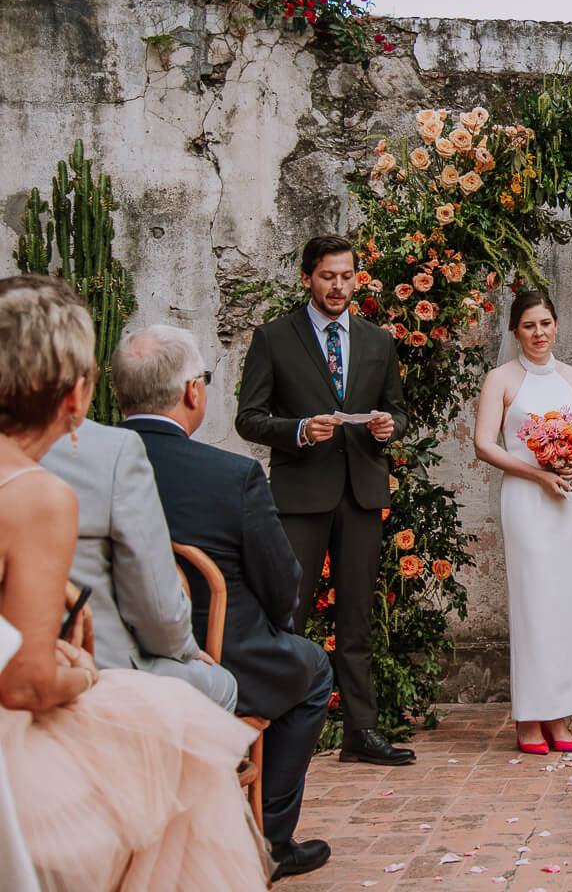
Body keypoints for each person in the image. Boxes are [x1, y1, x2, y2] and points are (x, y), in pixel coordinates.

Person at [0, 275, 267, 890]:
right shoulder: (38, 495)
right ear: (76, 396)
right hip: (19, 730)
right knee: (180, 747)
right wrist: (84, 674)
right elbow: (26, 684)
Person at [118, 324, 334, 881]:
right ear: (193, 392)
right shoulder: (230, 475)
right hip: (219, 657)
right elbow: (282, 583)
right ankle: (268, 840)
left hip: (112, 659)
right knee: (312, 669)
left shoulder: (85, 462)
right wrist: (277, 627)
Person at [236, 234, 412, 767]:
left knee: (357, 618)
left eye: (346, 277)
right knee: (288, 615)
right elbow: (249, 418)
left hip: (361, 492)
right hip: (300, 496)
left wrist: (388, 428)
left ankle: (361, 733)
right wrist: (297, 430)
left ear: (357, 279)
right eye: (328, 277)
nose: (338, 286)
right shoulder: (273, 337)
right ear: (308, 278)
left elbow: (398, 412)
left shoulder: (377, 340)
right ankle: (278, 730)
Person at [474, 291, 572, 753]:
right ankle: (529, 718)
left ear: (556, 326)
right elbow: (484, 444)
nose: (539, 333)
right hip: (528, 501)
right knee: (535, 606)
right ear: (516, 330)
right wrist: (538, 472)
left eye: (546, 323)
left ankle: (560, 716)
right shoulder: (501, 379)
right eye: (529, 325)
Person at [41, 418, 239, 711]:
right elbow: (157, 612)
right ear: (74, 397)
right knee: (223, 685)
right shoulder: (111, 450)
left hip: (20, 658)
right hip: (99, 666)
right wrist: (185, 648)